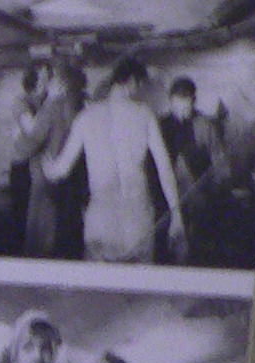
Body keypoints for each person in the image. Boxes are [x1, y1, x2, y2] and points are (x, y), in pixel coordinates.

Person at [43, 56, 181, 265]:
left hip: (101, 220)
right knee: (140, 283)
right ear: (132, 81)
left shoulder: (86, 117)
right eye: (140, 86)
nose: (139, 92)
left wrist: (46, 164)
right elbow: (165, 169)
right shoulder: (145, 115)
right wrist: (177, 216)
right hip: (137, 220)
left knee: (99, 283)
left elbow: (60, 170)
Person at [16, 59, 84, 259]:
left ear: (59, 83)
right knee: (61, 229)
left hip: (44, 176)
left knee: (40, 234)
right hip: (67, 176)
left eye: (50, 79)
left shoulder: (51, 107)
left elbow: (32, 142)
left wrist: (18, 143)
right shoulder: (77, 108)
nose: (46, 84)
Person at [156, 76, 222, 261]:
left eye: (188, 103)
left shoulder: (205, 126)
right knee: (167, 249)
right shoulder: (160, 126)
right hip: (167, 198)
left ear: (194, 100)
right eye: (179, 102)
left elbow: (219, 162)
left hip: (198, 198)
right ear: (171, 100)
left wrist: (214, 188)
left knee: (198, 250)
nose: (184, 109)